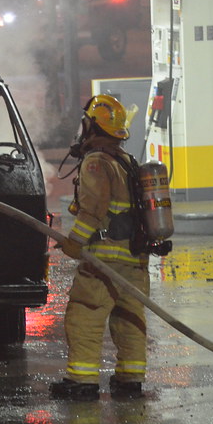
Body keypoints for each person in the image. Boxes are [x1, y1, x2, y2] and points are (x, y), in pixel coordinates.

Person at [50, 94, 149, 400]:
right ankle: (130, 379)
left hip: (104, 260)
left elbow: (93, 210)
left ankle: (82, 381)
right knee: (129, 319)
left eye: (85, 124)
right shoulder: (126, 161)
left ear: (94, 126)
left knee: (84, 316)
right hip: (135, 259)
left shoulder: (96, 163)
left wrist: (74, 242)